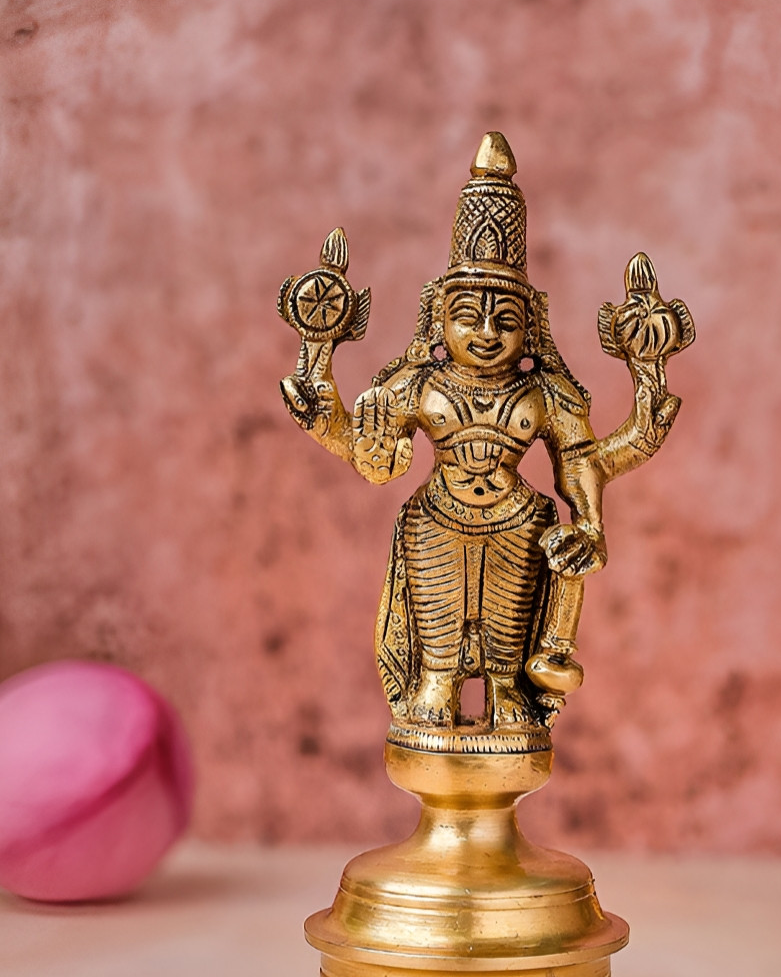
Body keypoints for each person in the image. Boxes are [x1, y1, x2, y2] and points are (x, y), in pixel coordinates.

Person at [279, 132, 690, 734]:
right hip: (437, 519)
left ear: (532, 327)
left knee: (508, 644)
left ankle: (507, 691)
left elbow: (585, 463)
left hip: (519, 523)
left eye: (507, 319)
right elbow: (375, 457)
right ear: (438, 318)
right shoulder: (418, 386)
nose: (488, 332)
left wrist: (594, 522)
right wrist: (323, 406)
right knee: (438, 646)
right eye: (468, 316)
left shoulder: (548, 395)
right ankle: (437, 682)